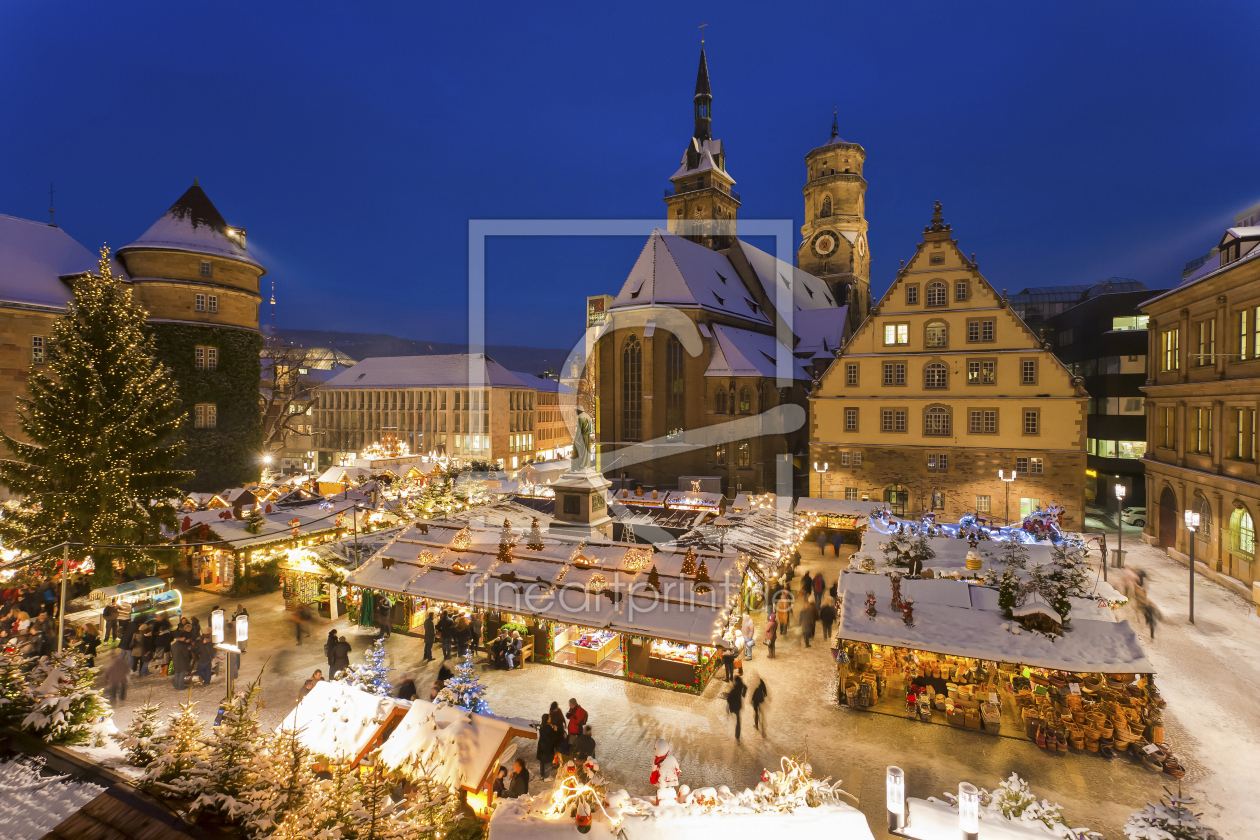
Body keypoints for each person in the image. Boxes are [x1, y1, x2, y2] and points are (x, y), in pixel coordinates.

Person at [536, 713, 557, 779]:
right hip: (547, 747)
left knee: (542, 761)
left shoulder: (542, 726)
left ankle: (542, 775)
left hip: (541, 745)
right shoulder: (549, 728)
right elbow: (552, 738)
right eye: (549, 717)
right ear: (547, 720)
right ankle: (546, 777)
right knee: (547, 762)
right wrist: (555, 730)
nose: (550, 718)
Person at [726, 674, 746, 741]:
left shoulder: (734, 691)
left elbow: (729, 699)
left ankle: (737, 734)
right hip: (739, 705)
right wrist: (743, 694)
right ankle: (738, 735)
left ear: (736, 682)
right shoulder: (740, 686)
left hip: (734, 706)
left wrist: (728, 708)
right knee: (738, 720)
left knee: (736, 720)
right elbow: (745, 687)